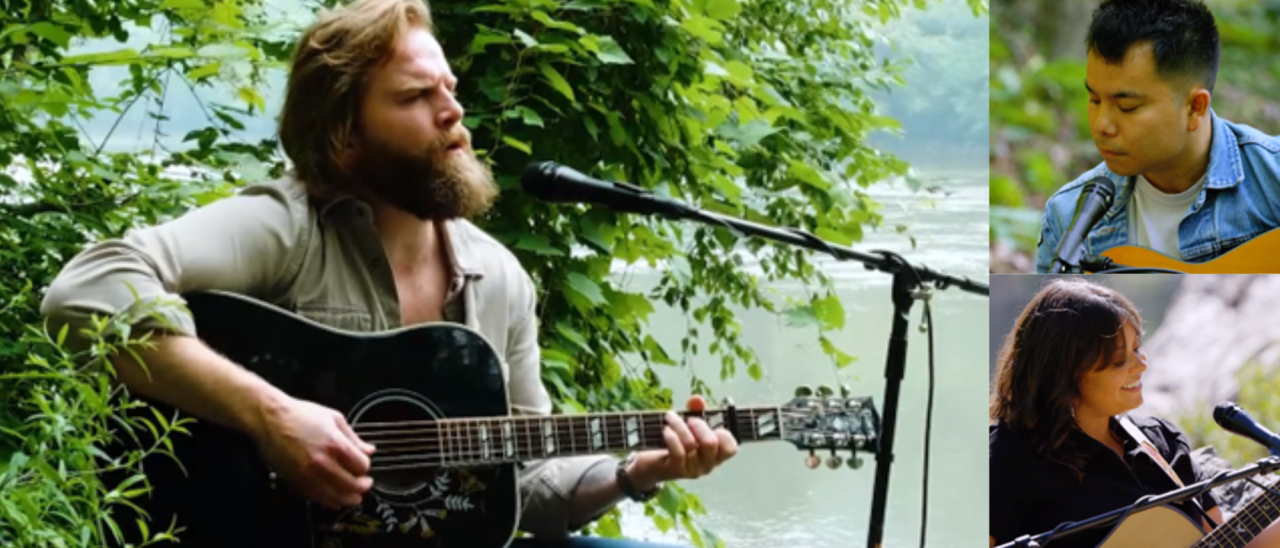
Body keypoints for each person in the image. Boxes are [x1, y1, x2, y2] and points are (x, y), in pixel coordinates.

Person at [37, 0, 735, 546]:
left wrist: (637, 473)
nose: (453, 111)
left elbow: (524, 483)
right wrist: (271, 415)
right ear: (343, 136)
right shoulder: (287, 227)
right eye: (413, 97)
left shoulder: (499, 278)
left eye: (450, 88)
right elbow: (86, 288)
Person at [988, 278, 1280, 548]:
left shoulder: (1164, 443)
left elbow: (1225, 541)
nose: (1140, 365)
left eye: (1138, 348)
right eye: (1118, 360)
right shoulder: (1007, 456)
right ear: (1062, 373)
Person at [1035, 0, 1280, 273]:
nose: (1102, 125)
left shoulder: (1272, 179)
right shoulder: (1066, 216)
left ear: (1194, 108)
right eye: (1094, 100)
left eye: (1127, 107)